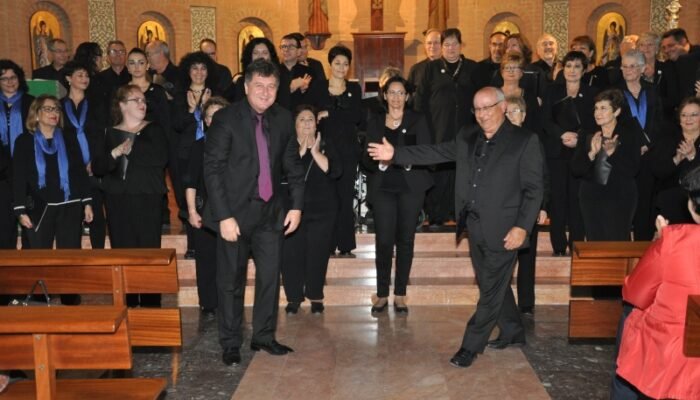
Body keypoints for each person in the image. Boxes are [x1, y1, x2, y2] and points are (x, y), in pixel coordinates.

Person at [368, 86, 544, 368]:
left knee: (490, 289)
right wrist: (396, 154)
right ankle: (513, 331)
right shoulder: (467, 136)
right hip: (474, 225)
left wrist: (522, 227)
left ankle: (470, 346)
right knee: (492, 283)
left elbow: (535, 189)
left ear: (502, 107)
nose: (482, 114)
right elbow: (435, 152)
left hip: (507, 229)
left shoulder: (524, 140)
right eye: (477, 109)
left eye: (488, 108)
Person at [203, 59, 305, 365]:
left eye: (271, 86)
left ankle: (263, 336)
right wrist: (223, 216)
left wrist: (297, 206)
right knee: (230, 282)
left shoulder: (284, 118)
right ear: (246, 86)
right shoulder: (226, 118)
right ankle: (230, 342)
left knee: (270, 278)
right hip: (233, 215)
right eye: (259, 85)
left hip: (270, 214)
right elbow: (212, 169)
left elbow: (293, 166)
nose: (265, 92)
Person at [614, 165, 700, 399]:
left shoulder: (675, 241)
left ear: (692, 206)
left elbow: (634, 292)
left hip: (678, 352)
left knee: (629, 313)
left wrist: (660, 244)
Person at [92, 85, 168, 307]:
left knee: (148, 252)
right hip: (117, 200)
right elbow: (98, 167)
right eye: (136, 100)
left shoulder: (154, 129)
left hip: (147, 198)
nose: (142, 104)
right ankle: (129, 301)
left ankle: (151, 302)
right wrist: (114, 152)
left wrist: (132, 148)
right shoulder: (109, 133)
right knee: (123, 250)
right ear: (122, 105)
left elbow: (161, 158)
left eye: (144, 100)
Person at [13, 95, 92, 305]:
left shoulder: (68, 138)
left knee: (70, 255)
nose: (54, 113)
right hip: (40, 206)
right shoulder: (24, 141)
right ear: (36, 114)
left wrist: (87, 202)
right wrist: (20, 210)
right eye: (48, 109)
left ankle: (69, 297)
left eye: (56, 109)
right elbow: (18, 177)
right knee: (39, 256)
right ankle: (40, 299)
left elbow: (79, 172)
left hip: (69, 203)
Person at [363, 76, 433, 313]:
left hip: (411, 187)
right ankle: (382, 293)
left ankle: (400, 294)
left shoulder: (418, 120)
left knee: (405, 240)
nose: (396, 97)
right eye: (391, 92)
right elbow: (365, 158)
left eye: (400, 93)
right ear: (384, 95)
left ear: (407, 96)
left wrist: (406, 161)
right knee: (383, 241)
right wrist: (380, 163)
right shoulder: (375, 121)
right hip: (383, 187)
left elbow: (427, 151)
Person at [414, 28, 477, 228]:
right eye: (446, 44)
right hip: (437, 130)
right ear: (441, 47)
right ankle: (436, 216)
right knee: (439, 174)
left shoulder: (472, 68)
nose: (451, 48)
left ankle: (460, 215)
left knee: (462, 174)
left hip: (466, 132)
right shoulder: (430, 69)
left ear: (461, 45)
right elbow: (420, 103)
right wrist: (423, 131)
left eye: (454, 44)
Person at [282, 105, 341, 315]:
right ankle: (293, 297)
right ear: (294, 125)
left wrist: (315, 152)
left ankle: (315, 295)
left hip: (323, 209)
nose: (307, 123)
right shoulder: (287, 146)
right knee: (291, 254)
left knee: (318, 253)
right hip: (293, 210)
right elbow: (281, 174)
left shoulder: (326, 143)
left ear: (316, 124)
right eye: (302, 120)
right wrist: (300, 152)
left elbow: (335, 171)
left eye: (310, 119)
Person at [542, 51, 597, 255]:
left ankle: (576, 244)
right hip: (556, 152)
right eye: (568, 66)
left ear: (584, 70)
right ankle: (558, 246)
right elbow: (545, 120)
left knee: (577, 200)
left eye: (577, 66)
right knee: (557, 199)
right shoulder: (552, 91)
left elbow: (596, 122)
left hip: (580, 153)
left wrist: (579, 139)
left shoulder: (592, 93)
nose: (572, 70)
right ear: (562, 68)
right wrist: (561, 134)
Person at [310, 45, 363, 257]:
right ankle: (327, 244)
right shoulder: (318, 87)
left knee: (344, 197)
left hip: (347, 150)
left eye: (346, 64)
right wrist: (334, 113)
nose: (342, 67)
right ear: (330, 64)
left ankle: (346, 245)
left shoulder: (354, 89)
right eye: (337, 63)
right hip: (324, 149)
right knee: (326, 197)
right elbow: (312, 114)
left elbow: (356, 116)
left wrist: (329, 113)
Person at [571, 89, 641, 241]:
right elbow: (576, 169)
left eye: (603, 108)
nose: (598, 113)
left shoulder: (630, 133)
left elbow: (633, 169)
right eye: (596, 108)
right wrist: (591, 154)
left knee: (618, 242)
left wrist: (612, 154)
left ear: (616, 112)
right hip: (591, 197)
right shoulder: (587, 134)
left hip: (620, 196)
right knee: (594, 242)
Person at [184, 96, 230, 317]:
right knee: (206, 259)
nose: (216, 119)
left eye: (220, 114)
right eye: (211, 116)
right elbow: (190, 182)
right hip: (204, 210)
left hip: (232, 211)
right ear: (206, 121)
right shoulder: (198, 146)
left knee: (230, 260)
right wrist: (192, 212)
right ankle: (209, 303)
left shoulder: (239, 145)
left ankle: (228, 302)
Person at [504, 95, 549, 315]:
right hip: (503, 206)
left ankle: (526, 303)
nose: (510, 116)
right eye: (507, 112)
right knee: (504, 257)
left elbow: (543, 175)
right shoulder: (497, 140)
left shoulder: (532, 139)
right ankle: (503, 302)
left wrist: (543, 206)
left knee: (527, 257)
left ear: (523, 116)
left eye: (515, 112)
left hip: (528, 206)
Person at [616, 49, 665, 241]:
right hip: (625, 154)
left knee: (645, 202)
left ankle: (643, 245)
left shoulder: (652, 91)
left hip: (649, 154)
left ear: (643, 68)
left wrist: (647, 144)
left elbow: (659, 121)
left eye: (632, 66)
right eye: (624, 66)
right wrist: (636, 143)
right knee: (624, 202)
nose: (628, 70)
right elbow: (615, 123)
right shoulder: (615, 92)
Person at [61, 61, 107, 249]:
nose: (84, 79)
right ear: (68, 78)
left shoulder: (96, 104)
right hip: (69, 167)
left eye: (87, 76)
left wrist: (95, 161)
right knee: (72, 215)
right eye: (80, 75)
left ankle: (98, 254)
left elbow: (102, 136)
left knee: (96, 212)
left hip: (91, 166)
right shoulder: (59, 106)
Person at [0, 59, 35, 249]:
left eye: (13, 77)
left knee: (29, 220)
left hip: (26, 166)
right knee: (4, 224)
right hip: (1, 173)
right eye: (4, 78)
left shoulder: (31, 102)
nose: (9, 82)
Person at [652, 97, 700, 224]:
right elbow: (658, 171)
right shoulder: (667, 139)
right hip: (670, 202)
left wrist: (692, 157)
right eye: (684, 115)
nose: (688, 119)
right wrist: (676, 159)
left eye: (694, 115)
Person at [499, 51, 542, 135]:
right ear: (501, 72)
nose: (511, 71)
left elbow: (536, 124)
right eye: (507, 67)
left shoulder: (530, 96)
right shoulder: (493, 95)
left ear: (522, 72)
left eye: (515, 67)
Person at [227, 37, 280, 102]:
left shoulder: (279, 77)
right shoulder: (241, 80)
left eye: (265, 53)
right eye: (256, 53)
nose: (260, 56)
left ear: (271, 56)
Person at [278, 33, 315, 111]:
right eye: (284, 47)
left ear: (299, 52)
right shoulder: (273, 72)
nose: (286, 50)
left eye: (291, 47)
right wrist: (290, 88)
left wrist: (303, 91)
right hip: (278, 115)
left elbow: (315, 100)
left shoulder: (309, 72)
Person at [94, 40, 131, 108]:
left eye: (121, 51)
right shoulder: (99, 78)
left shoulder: (132, 76)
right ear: (108, 56)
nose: (118, 54)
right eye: (113, 52)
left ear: (126, 55)